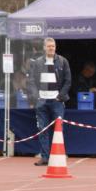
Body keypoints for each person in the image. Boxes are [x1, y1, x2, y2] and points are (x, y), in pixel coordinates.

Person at [27, 37, 71, 166]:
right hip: (42, 101)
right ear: (44, 48)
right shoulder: (37, 62)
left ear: (55, 47)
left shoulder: (63, 61)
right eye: (49, 46)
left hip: (57, 101)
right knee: (42, 129)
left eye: (53, 46)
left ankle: (58, 154)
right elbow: (31, 82)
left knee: (58, 129)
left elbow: (68, 81)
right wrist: (37, 97)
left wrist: (60, 96)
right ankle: (45, 157)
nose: (51, 48)